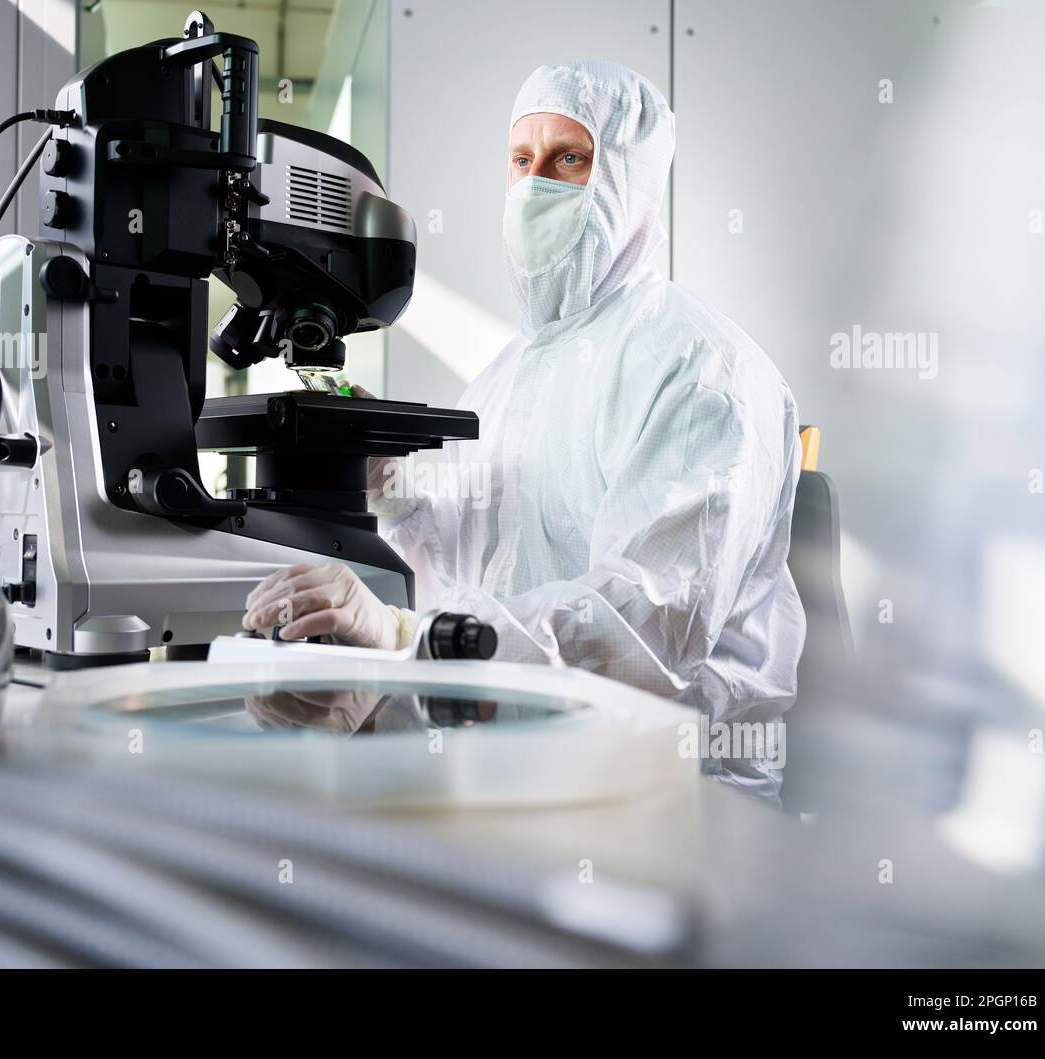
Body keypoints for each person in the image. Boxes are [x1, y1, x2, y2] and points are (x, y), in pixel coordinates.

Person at [243, 60, 805, 729]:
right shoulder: (508, 372)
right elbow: (465, 576)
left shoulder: (702, 369)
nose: (535, 184)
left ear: (629, 179)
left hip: (670, 777)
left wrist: (406, 638)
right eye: (520, 159)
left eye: (568, 159)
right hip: (509, 745)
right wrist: (385, 485)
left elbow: (647, 625)